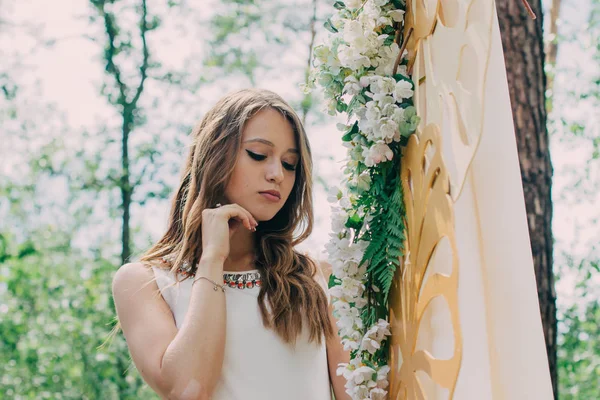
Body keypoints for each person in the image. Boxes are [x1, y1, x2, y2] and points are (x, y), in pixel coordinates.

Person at [111, 88, 351, 400]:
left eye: (290, 164)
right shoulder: (145, 283)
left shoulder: (317, 278)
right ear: (214, 157)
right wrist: (212, 259)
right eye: (258, 155)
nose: (277, 174)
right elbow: (187, 390)